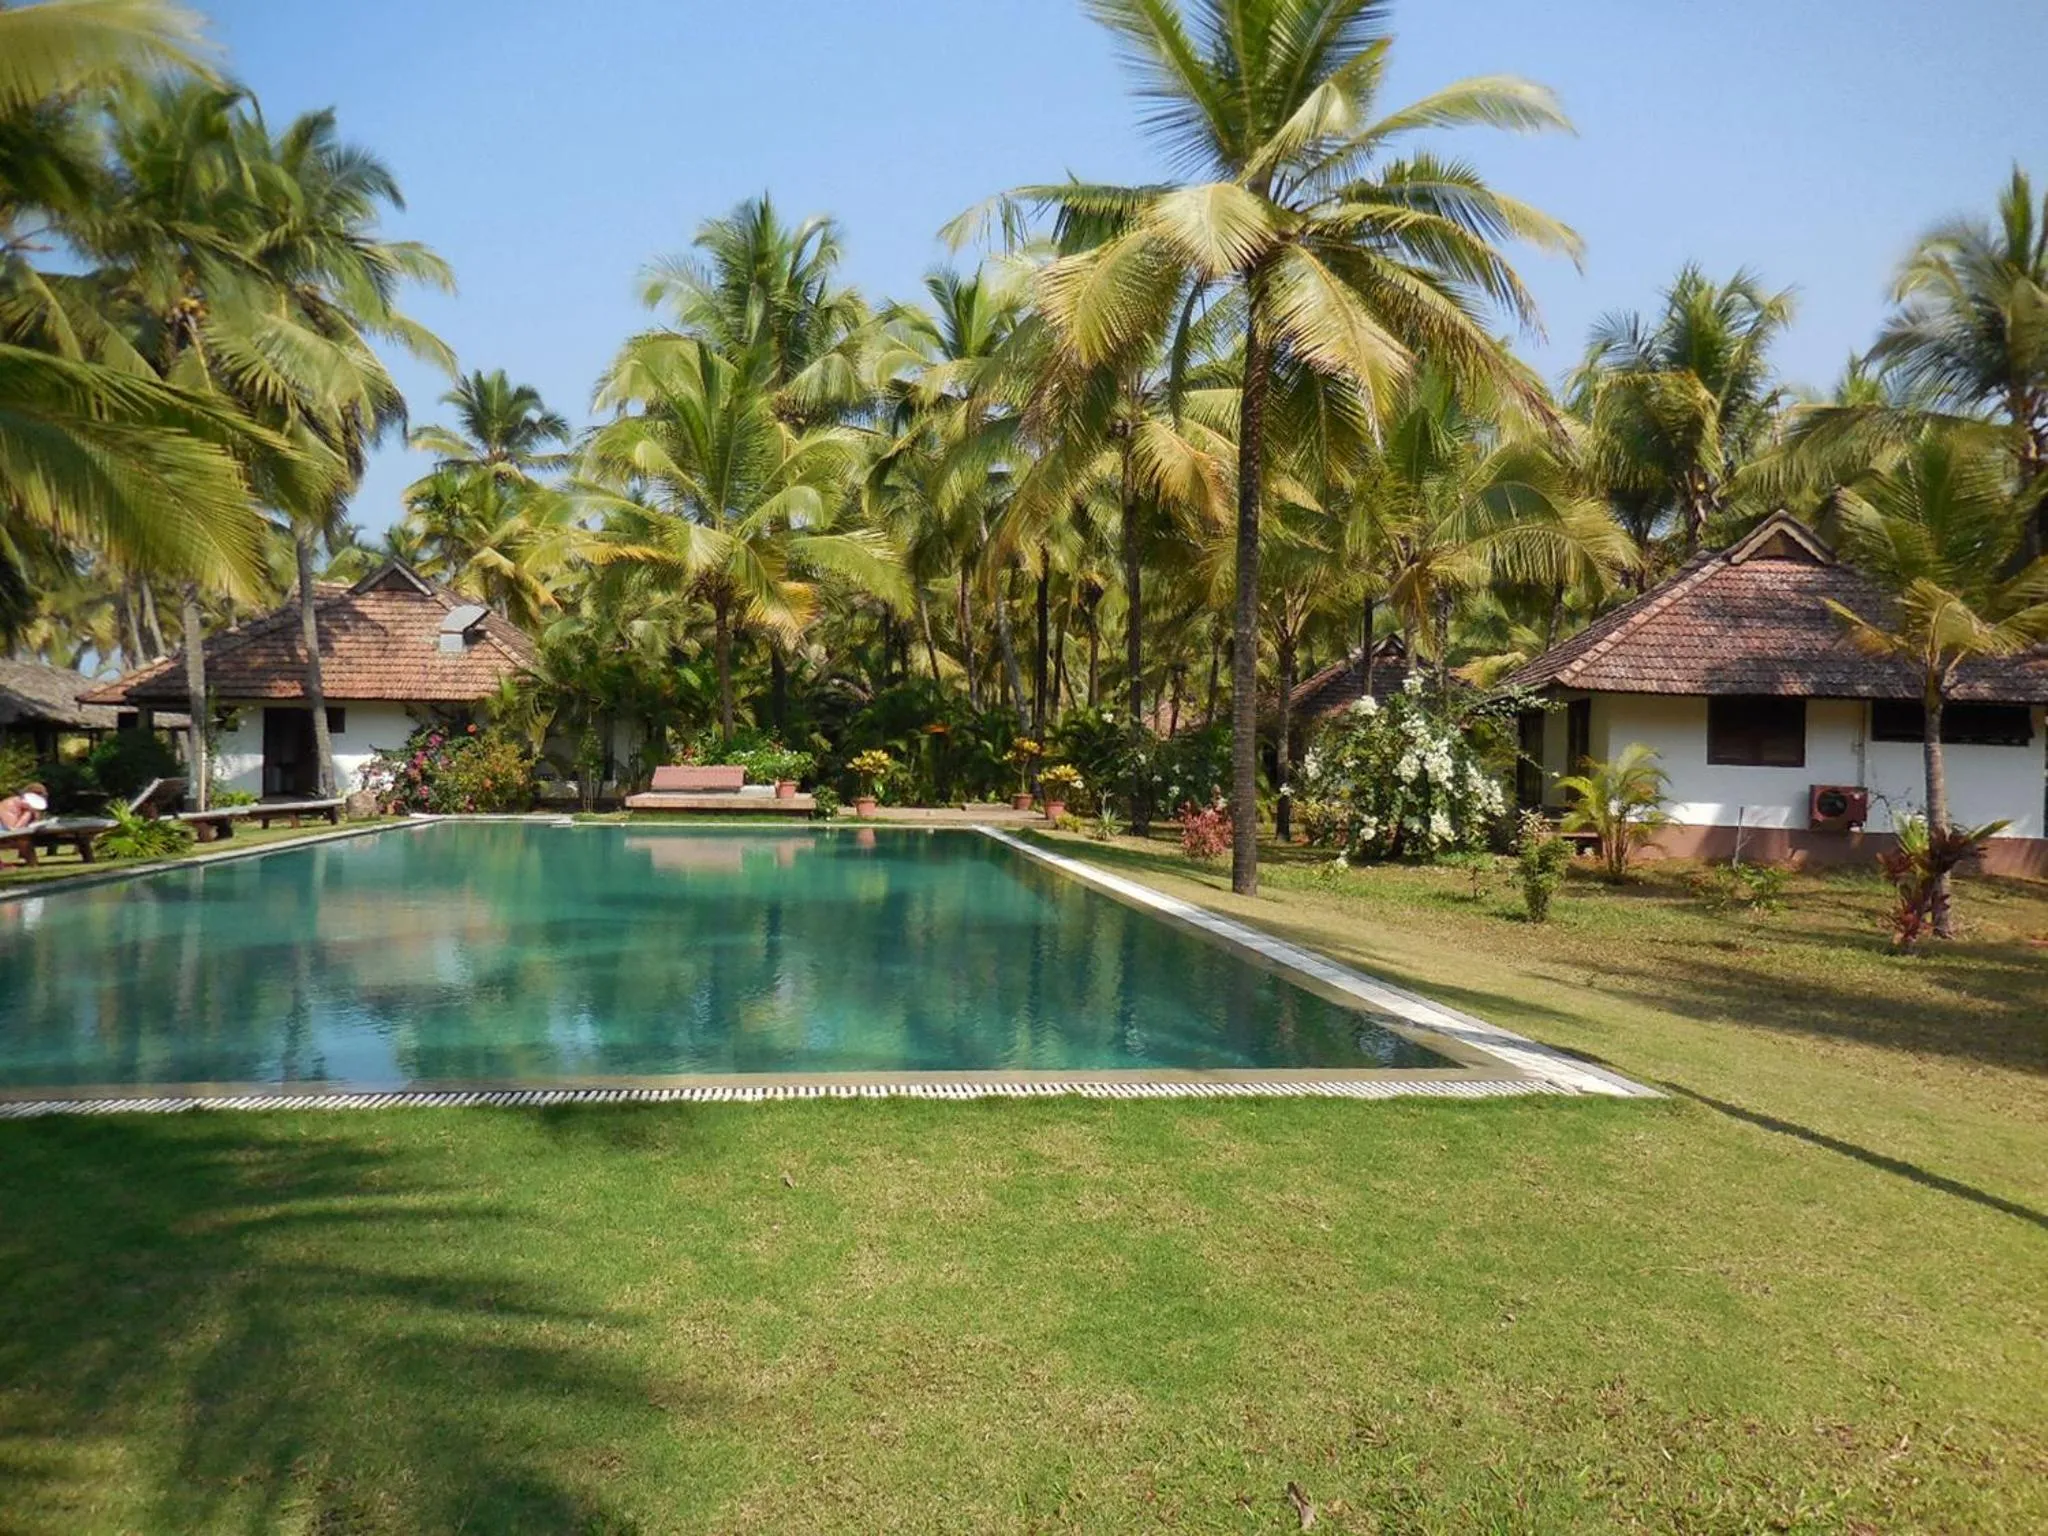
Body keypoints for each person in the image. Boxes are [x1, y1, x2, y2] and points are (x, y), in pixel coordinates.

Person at [1, 781, 49, 865]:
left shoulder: (23, 806)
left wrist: (34, 814)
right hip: (5, 830)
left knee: (24, 837)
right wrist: (28, 813)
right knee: (23, 838)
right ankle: (33, 864)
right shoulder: (11, 804)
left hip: (7, 831)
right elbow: (14, 829)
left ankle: (32, 863)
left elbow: (35, 821)